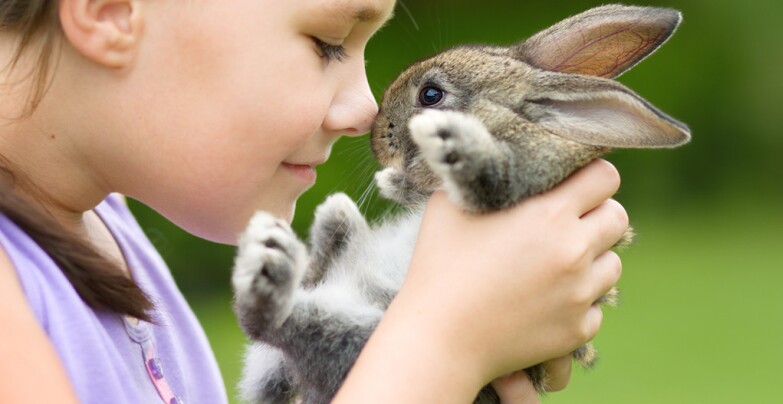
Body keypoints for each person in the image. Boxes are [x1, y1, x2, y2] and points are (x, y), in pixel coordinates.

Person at [0, 0, 629, 402]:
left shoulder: (100, 226)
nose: (364, 109)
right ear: (110, 12)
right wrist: (443, 345)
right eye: (326, 42)